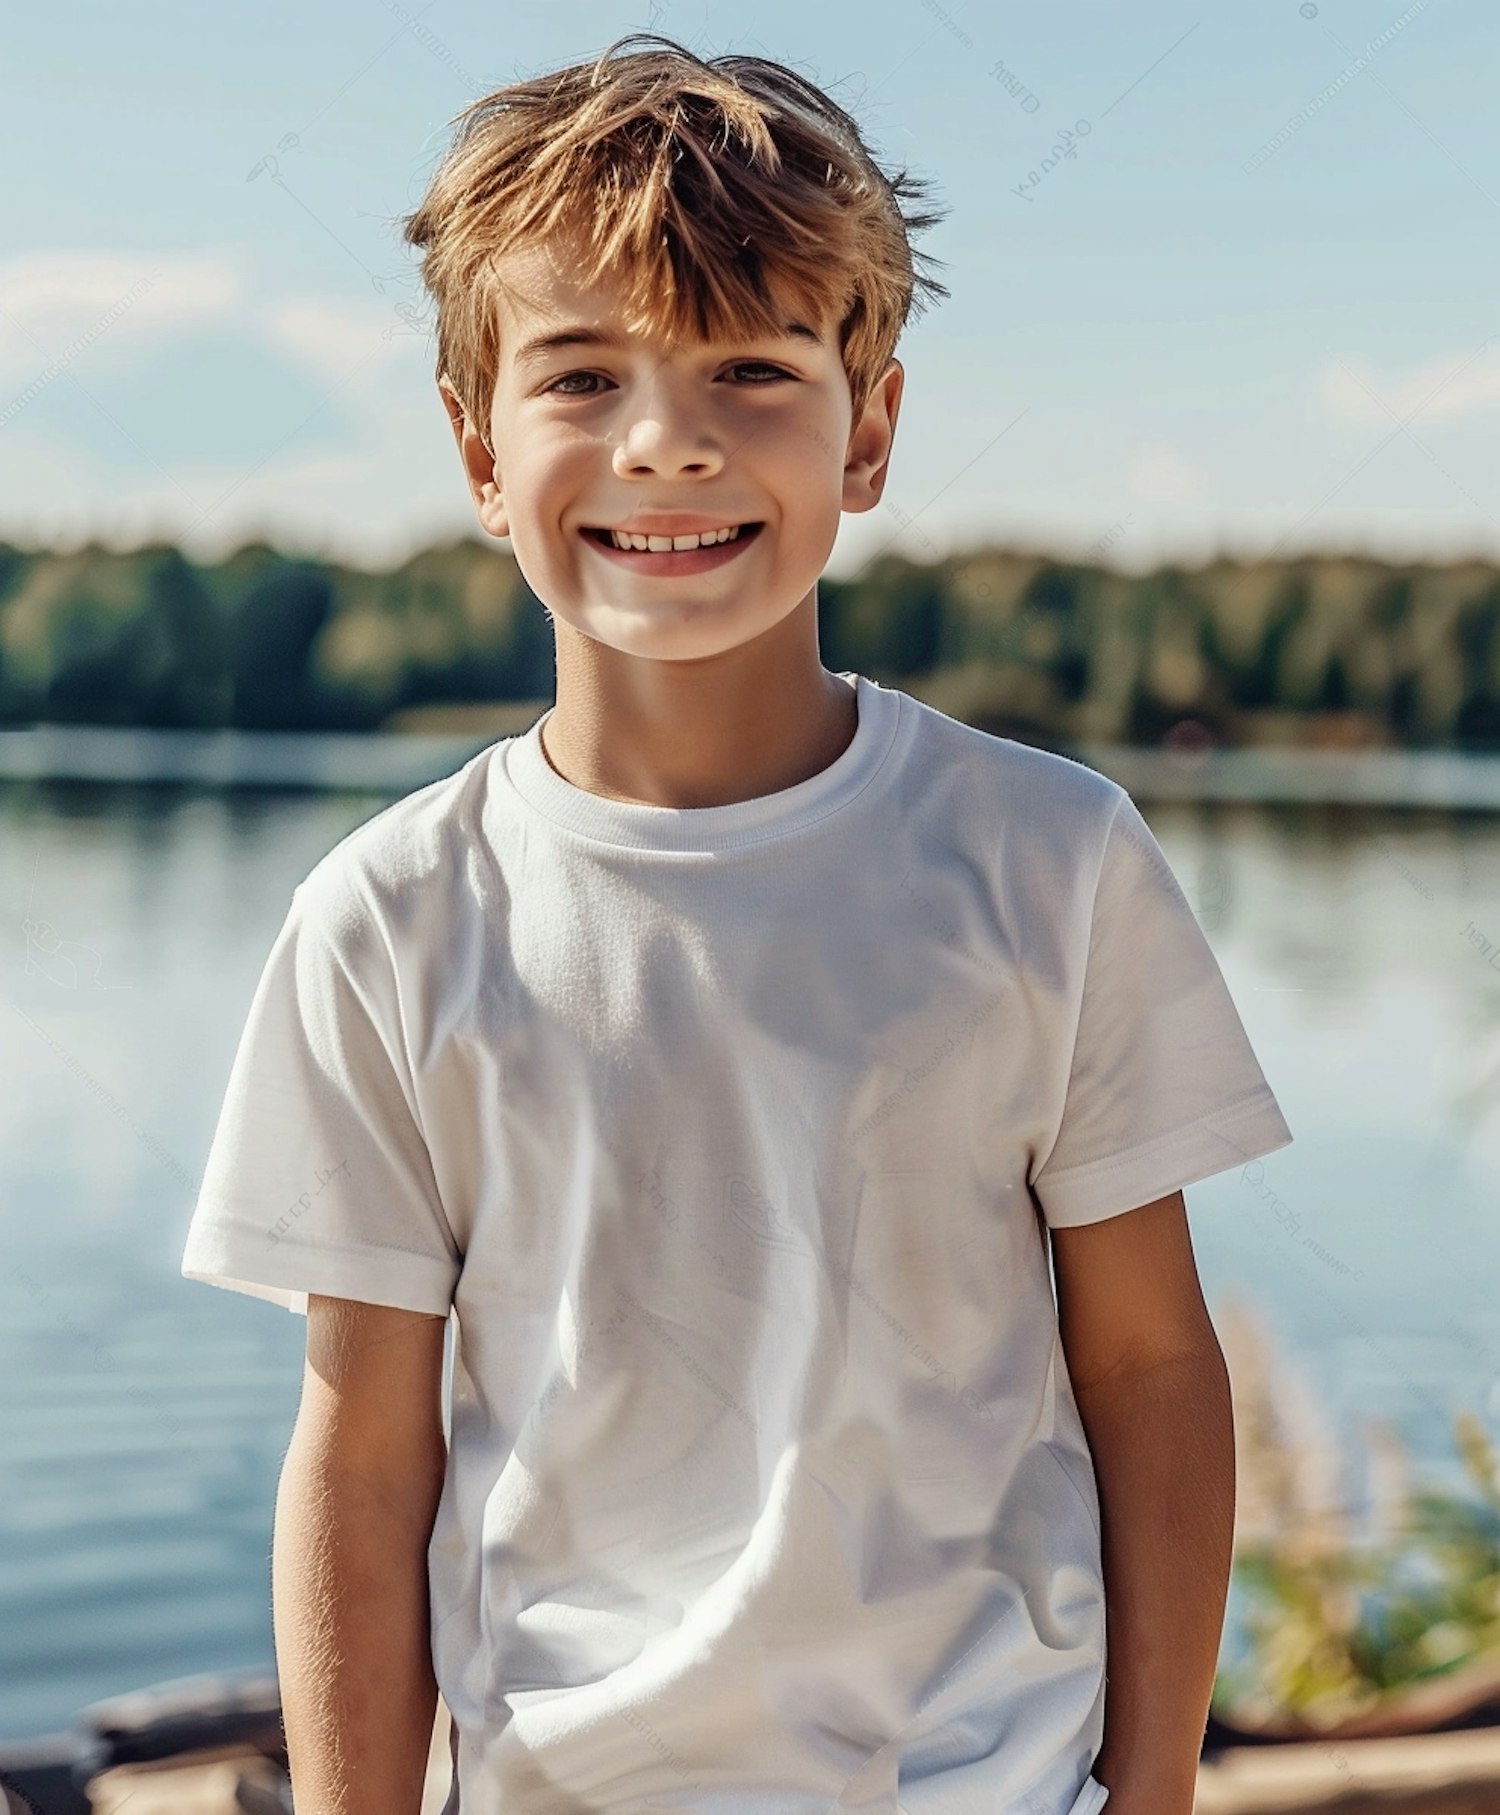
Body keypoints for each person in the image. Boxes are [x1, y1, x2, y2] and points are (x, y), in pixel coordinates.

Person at [181, 32, 1294, 1815]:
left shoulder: (1050, 859)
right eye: (581, 374)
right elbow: (363, 1451)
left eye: (751, 370)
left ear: (870, 431)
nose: (668, 443)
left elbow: (1150, 1363)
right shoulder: (385, 921)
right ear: (478, 449)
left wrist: (1147, 1795)